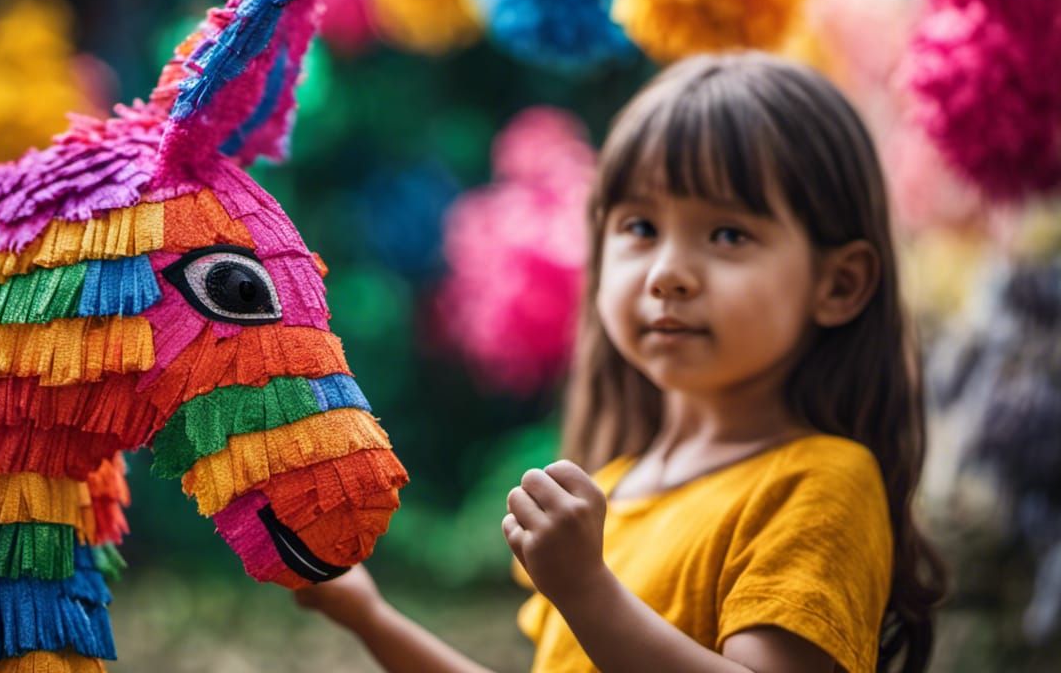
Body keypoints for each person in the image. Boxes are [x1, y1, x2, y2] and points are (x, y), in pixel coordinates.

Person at [295, 52, 947, 673]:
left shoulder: (822, 483)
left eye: (728, 234)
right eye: (639, 228)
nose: (667, 274)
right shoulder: (612, 492)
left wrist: (587, 591)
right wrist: (371, 618)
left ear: (838, 284)